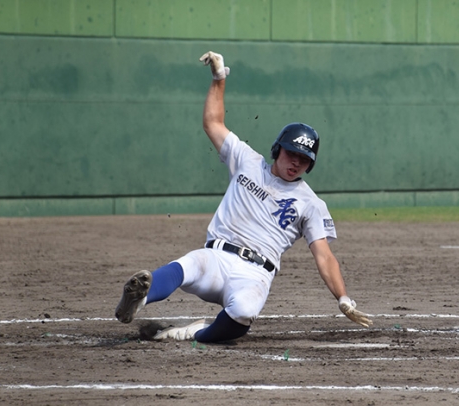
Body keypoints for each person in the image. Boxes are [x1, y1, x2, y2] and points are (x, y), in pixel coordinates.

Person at [115, 51, 372, 343]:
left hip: (254, 274)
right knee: (187, 266)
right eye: (291, 153)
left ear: (310, 164)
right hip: (216, 257)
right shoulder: (247, 160)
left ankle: (191, 333)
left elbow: (324, 255)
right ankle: (140, 297)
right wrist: (218, 78)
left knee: (244, 313)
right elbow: (213, 122)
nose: (296, 162)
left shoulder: (311, 204)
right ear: (278, 149)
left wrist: (343, 297)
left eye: (304, 158)